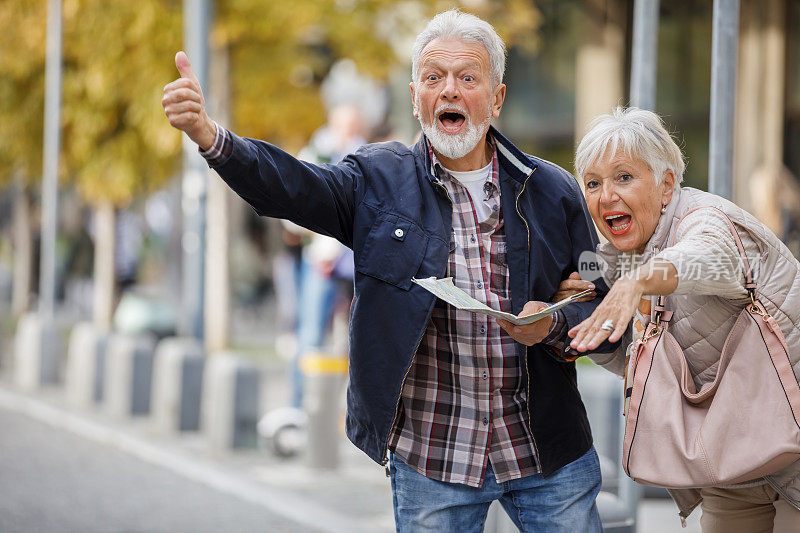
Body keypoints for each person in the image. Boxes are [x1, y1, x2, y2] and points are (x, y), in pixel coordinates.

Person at [163, 10, 612, 531]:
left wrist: (553, 323)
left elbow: (598, 297)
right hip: (433, 457)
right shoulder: (377, 179)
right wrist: (211, 135)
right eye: (433, 77)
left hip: (547, 452)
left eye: (468, 78)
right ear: (414, 96)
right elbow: (292, 186)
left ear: (497, 98)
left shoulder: (554, 191)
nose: (448, 91)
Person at [566, 106, 800, 532]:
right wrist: (581, 320)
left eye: (624, 177)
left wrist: (636, 283)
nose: (606, 196)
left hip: (794, 453)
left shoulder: (705, 219)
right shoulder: (614, 257)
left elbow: (711, 259)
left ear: (666, 185)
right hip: (734, 459)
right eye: (593, 183)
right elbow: (646, 368)